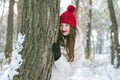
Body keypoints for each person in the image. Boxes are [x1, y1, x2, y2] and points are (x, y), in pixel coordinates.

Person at [51, 5, 85, 80]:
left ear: (72, 27)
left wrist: (59, 57)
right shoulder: (55, 37)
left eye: (66, 25)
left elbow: (70, 71)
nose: (63, 28)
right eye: (61, 25)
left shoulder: (79, 48)